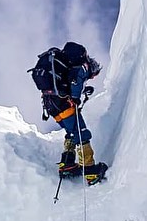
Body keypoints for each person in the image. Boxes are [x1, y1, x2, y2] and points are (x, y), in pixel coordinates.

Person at [31, 41, 108, 186]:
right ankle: (90, 171)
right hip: (62, 102)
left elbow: (69, 82)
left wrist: (82, 92)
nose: (91, 78)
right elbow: (75, 81)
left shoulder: (63, 64)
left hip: (50, 104)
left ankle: (67, 165)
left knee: (71, 131)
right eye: (93, 76)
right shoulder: (84, 66)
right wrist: (75, 98)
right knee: (81, 131)